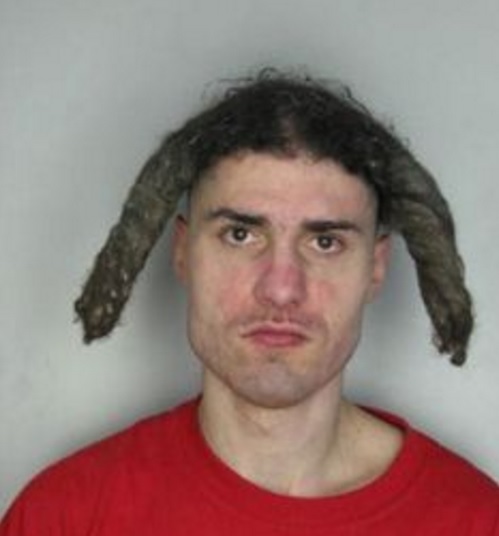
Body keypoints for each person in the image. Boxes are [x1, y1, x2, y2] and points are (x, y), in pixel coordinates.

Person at [1, 69, 497, 534]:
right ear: (182, 253)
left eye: (325, 242)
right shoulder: (63, 517)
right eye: (240, 234)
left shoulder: (476, 521)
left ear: (376, 269)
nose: (281, 288)